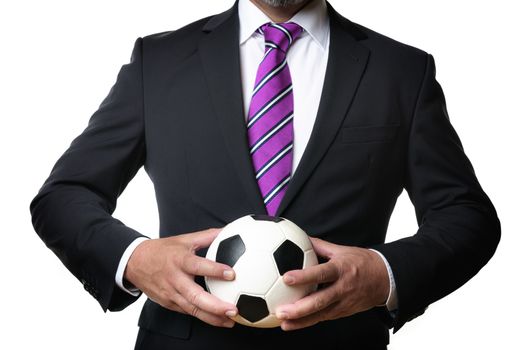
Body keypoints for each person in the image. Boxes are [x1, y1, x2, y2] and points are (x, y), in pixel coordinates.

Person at [29, 0, 500, 349]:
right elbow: (65, 195)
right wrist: (135, 259)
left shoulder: (400, 70)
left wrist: (383, 274)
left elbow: (467, 217)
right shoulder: (161, 61)